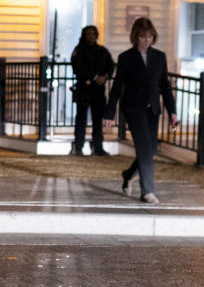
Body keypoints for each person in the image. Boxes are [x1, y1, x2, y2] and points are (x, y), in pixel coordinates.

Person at [103, 18, 179, 204]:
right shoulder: (126, 58)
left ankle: (128, 174)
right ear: (135, 37)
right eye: (143, 37)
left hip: (153, 109)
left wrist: (173, 111)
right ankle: (148, 191)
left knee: (151, 149)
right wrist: (109, 113)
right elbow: (117, 87)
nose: (147, 40)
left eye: (150, 37)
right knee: (144, 148)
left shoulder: (159, 57)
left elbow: (165, 87)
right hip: (134, 109)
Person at [70, 25, 115, 156]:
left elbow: (110, 66)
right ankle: (78, 146)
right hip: (84, 89)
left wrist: (105, 76)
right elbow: (78, 68)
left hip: (98, 91)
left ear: (96, 36)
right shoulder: (78, 51)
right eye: (87, 34)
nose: (90, 36)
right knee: (81, 119)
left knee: (97, 120)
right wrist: (95, 77)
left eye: (92, 34)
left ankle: (98, 147)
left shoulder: (102, 51)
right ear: (84, 36)